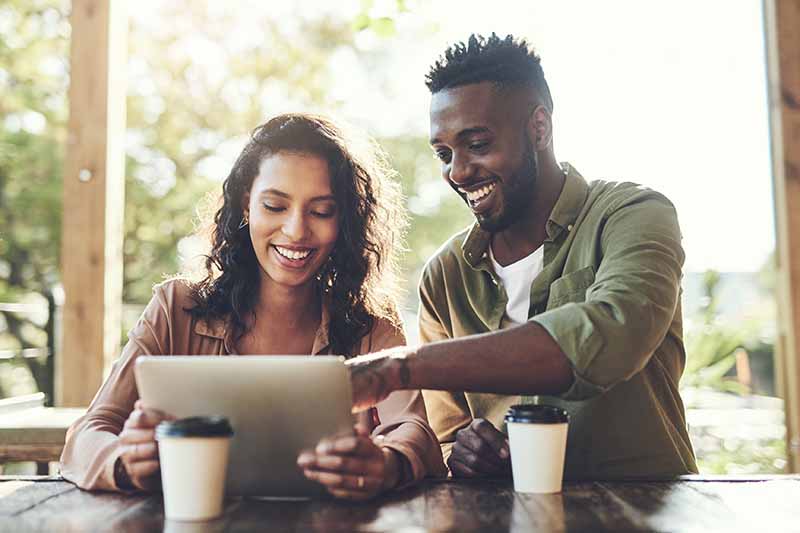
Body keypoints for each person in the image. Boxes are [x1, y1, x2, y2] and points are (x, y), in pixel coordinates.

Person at [347, 34, 698, 480]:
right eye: (444, 153)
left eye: (477, 144)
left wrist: (395, 369)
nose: (457, 171)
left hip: (644, 509)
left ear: (539, 128)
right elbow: (448, 435)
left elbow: (611, 333)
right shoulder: (446, 276)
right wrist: (465, 452)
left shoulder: (632, 215)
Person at [60, 113, 445, 500]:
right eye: (275, 206)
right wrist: (126, 462)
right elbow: (90, 430)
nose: (296, 230)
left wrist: (386, 463)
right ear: (246, 205)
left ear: (344, 220)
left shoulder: (371, 325)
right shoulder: (175, 308)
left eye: (321, 211)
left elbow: (415, 431)